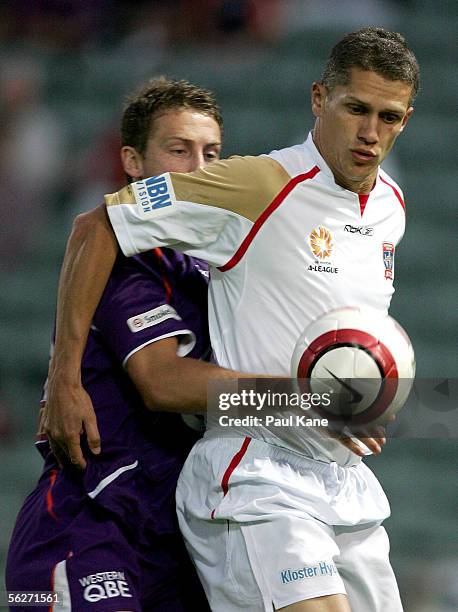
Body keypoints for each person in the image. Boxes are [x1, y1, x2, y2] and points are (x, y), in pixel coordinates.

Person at [39, 27, 419, 611]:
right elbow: (98, 226)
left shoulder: (391, 205)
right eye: (356, 109)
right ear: (320, 100)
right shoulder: (257, 184)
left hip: (344, 484)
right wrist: (62, 377)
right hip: (255, 469)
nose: (371, 133)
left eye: (389, 117)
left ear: (407, 118)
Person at [6, 76, 259, 612]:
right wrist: (303, 402)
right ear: (133, 163)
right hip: (86, 523)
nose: (199, 169)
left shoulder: (205, 271)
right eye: (178, 150)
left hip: (170, 537)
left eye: (211, 153)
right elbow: (163, 382)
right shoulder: (122, 259)